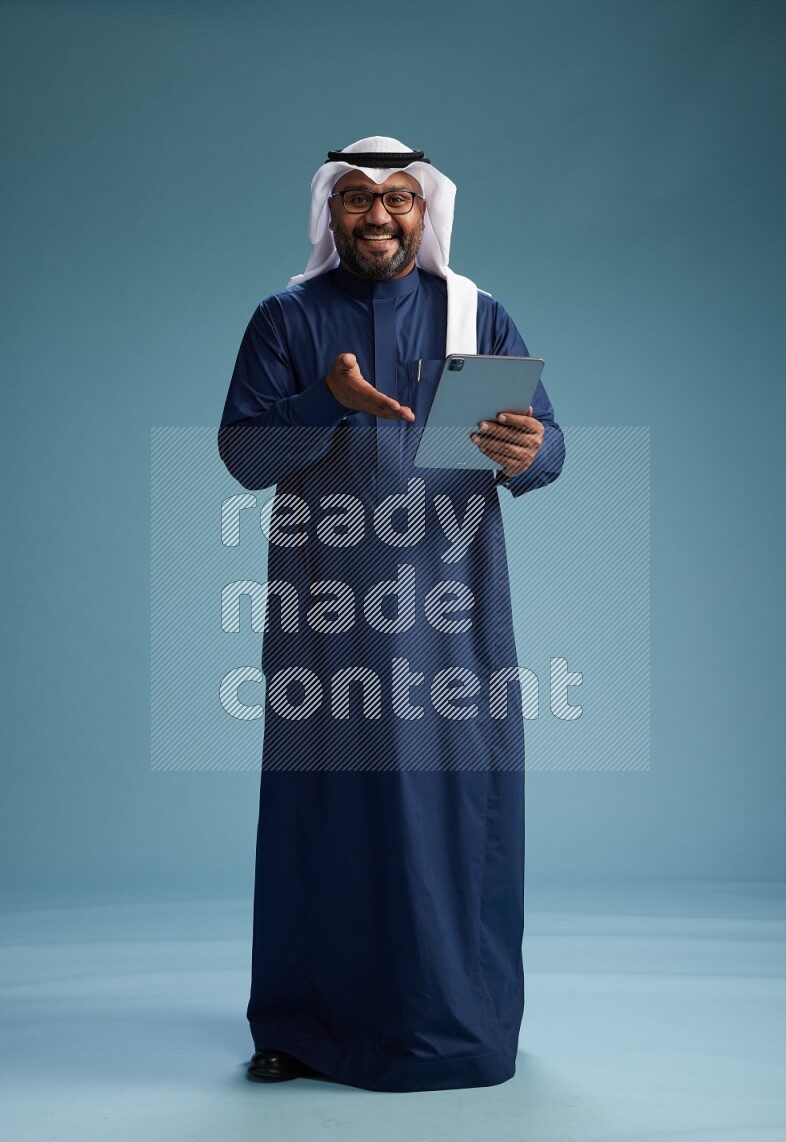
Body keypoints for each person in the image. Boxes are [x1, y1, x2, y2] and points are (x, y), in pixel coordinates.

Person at [218, 136, 565, 1092]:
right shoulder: (286, 317)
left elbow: (551, 445)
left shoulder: (473, 314)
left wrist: (525, 446)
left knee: (454, 811)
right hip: (327, 611)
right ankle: (300, 1021)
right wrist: (325, 403)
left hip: (454, 613)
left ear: (426, 212)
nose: (379, 217)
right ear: (331, 214)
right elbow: (245, 453)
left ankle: (461, 1019)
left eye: (399, 199)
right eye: (359, 200)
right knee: (320, 813)